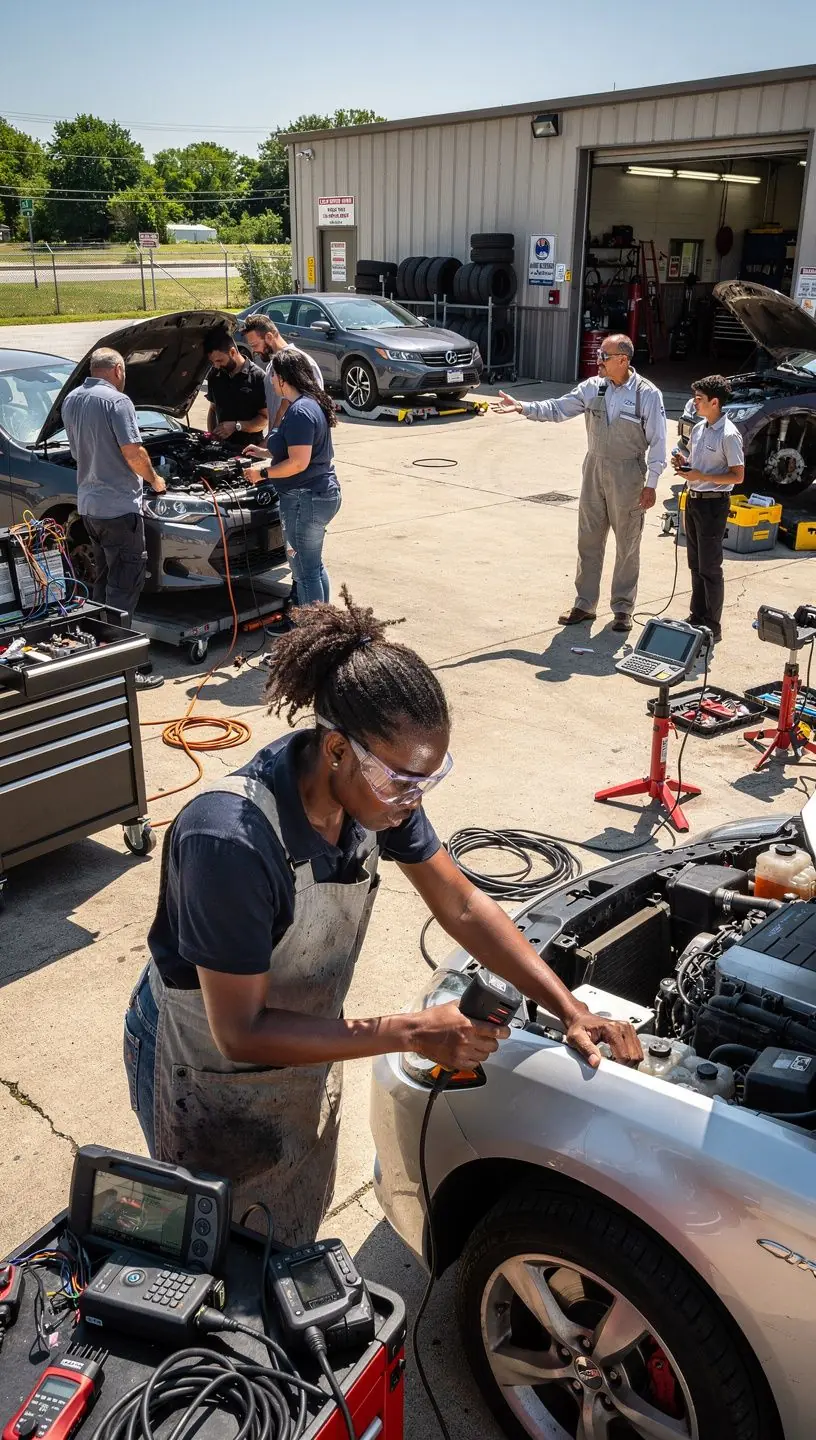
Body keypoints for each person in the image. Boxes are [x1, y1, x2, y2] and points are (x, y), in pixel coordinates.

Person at [123, 589, 642, 1246]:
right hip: (201, 1061)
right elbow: (240, 1033)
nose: (413, 800)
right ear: (337, 750)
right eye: (402, 781)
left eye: (429, 780)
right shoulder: (230, 841)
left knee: (281, 1231)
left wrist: (568, 1006)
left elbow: (460, 902)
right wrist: (410, 1031)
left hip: (288, 1048)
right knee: (213, 1246)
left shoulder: (378, 796)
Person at [494, 335, 667, 633]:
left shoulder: (646, 394)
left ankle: (623, 609)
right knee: (588, 539)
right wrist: (522, 407)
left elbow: (660, 443)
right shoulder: (593, 387)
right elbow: (558, 408)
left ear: (623, 360)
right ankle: (585, 604)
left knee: (627, 543)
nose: (597, 360)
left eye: (604, 355)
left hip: (629, 475)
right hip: (594, 470)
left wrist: (651, 484)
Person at [61, 347, 166, 690]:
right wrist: (155, 479)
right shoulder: (118, 402)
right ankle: (125, 670)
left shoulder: (72, 399)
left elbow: (78, 452)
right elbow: (133, 452)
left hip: (90, 508)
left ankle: (99, 655)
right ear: (118, 370)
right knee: (125, 587)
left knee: (104, 584)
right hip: (120, 510)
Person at [243, 349, 341, 606]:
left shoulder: (300, 411)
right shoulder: (308, 404)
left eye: (273, 376)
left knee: (304, 572)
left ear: (283, 378)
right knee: (314, 566)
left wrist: (262, 473)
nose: (271, 381)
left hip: (305, 498)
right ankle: (325, 627)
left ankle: (312, 634)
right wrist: (264, 451)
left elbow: (298, 462)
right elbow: (296, 447)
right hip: (315, 494)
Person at [672, 374, 744, 644]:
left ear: (715, 402)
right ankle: (697, 615)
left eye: (699, 399)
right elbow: (696, 461)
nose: (695, 403)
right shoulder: (700, 428)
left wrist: (703, 475)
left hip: (714, 504)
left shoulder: (729, 434)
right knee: (694, 562)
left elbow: (737, 476)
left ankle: (713, 624)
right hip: (694, 500)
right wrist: (684, 463)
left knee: (710, 567)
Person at [242, 314, 324, 434]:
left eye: (255, 345)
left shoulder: (300, 362)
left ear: (269, 337)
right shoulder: (272, 366)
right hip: (282, 446)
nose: (254, 350)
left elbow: (312, 412)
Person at [204, 325, 267, 454]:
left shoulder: (258, 377)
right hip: (221, 450)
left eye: (220, 360)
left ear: (233, 352)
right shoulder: (215, 375)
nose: (216, 365)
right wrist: (213, 436)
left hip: (249, 451)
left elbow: (264, 419)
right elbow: (213, 409)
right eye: (213, 361)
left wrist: (237, 426)